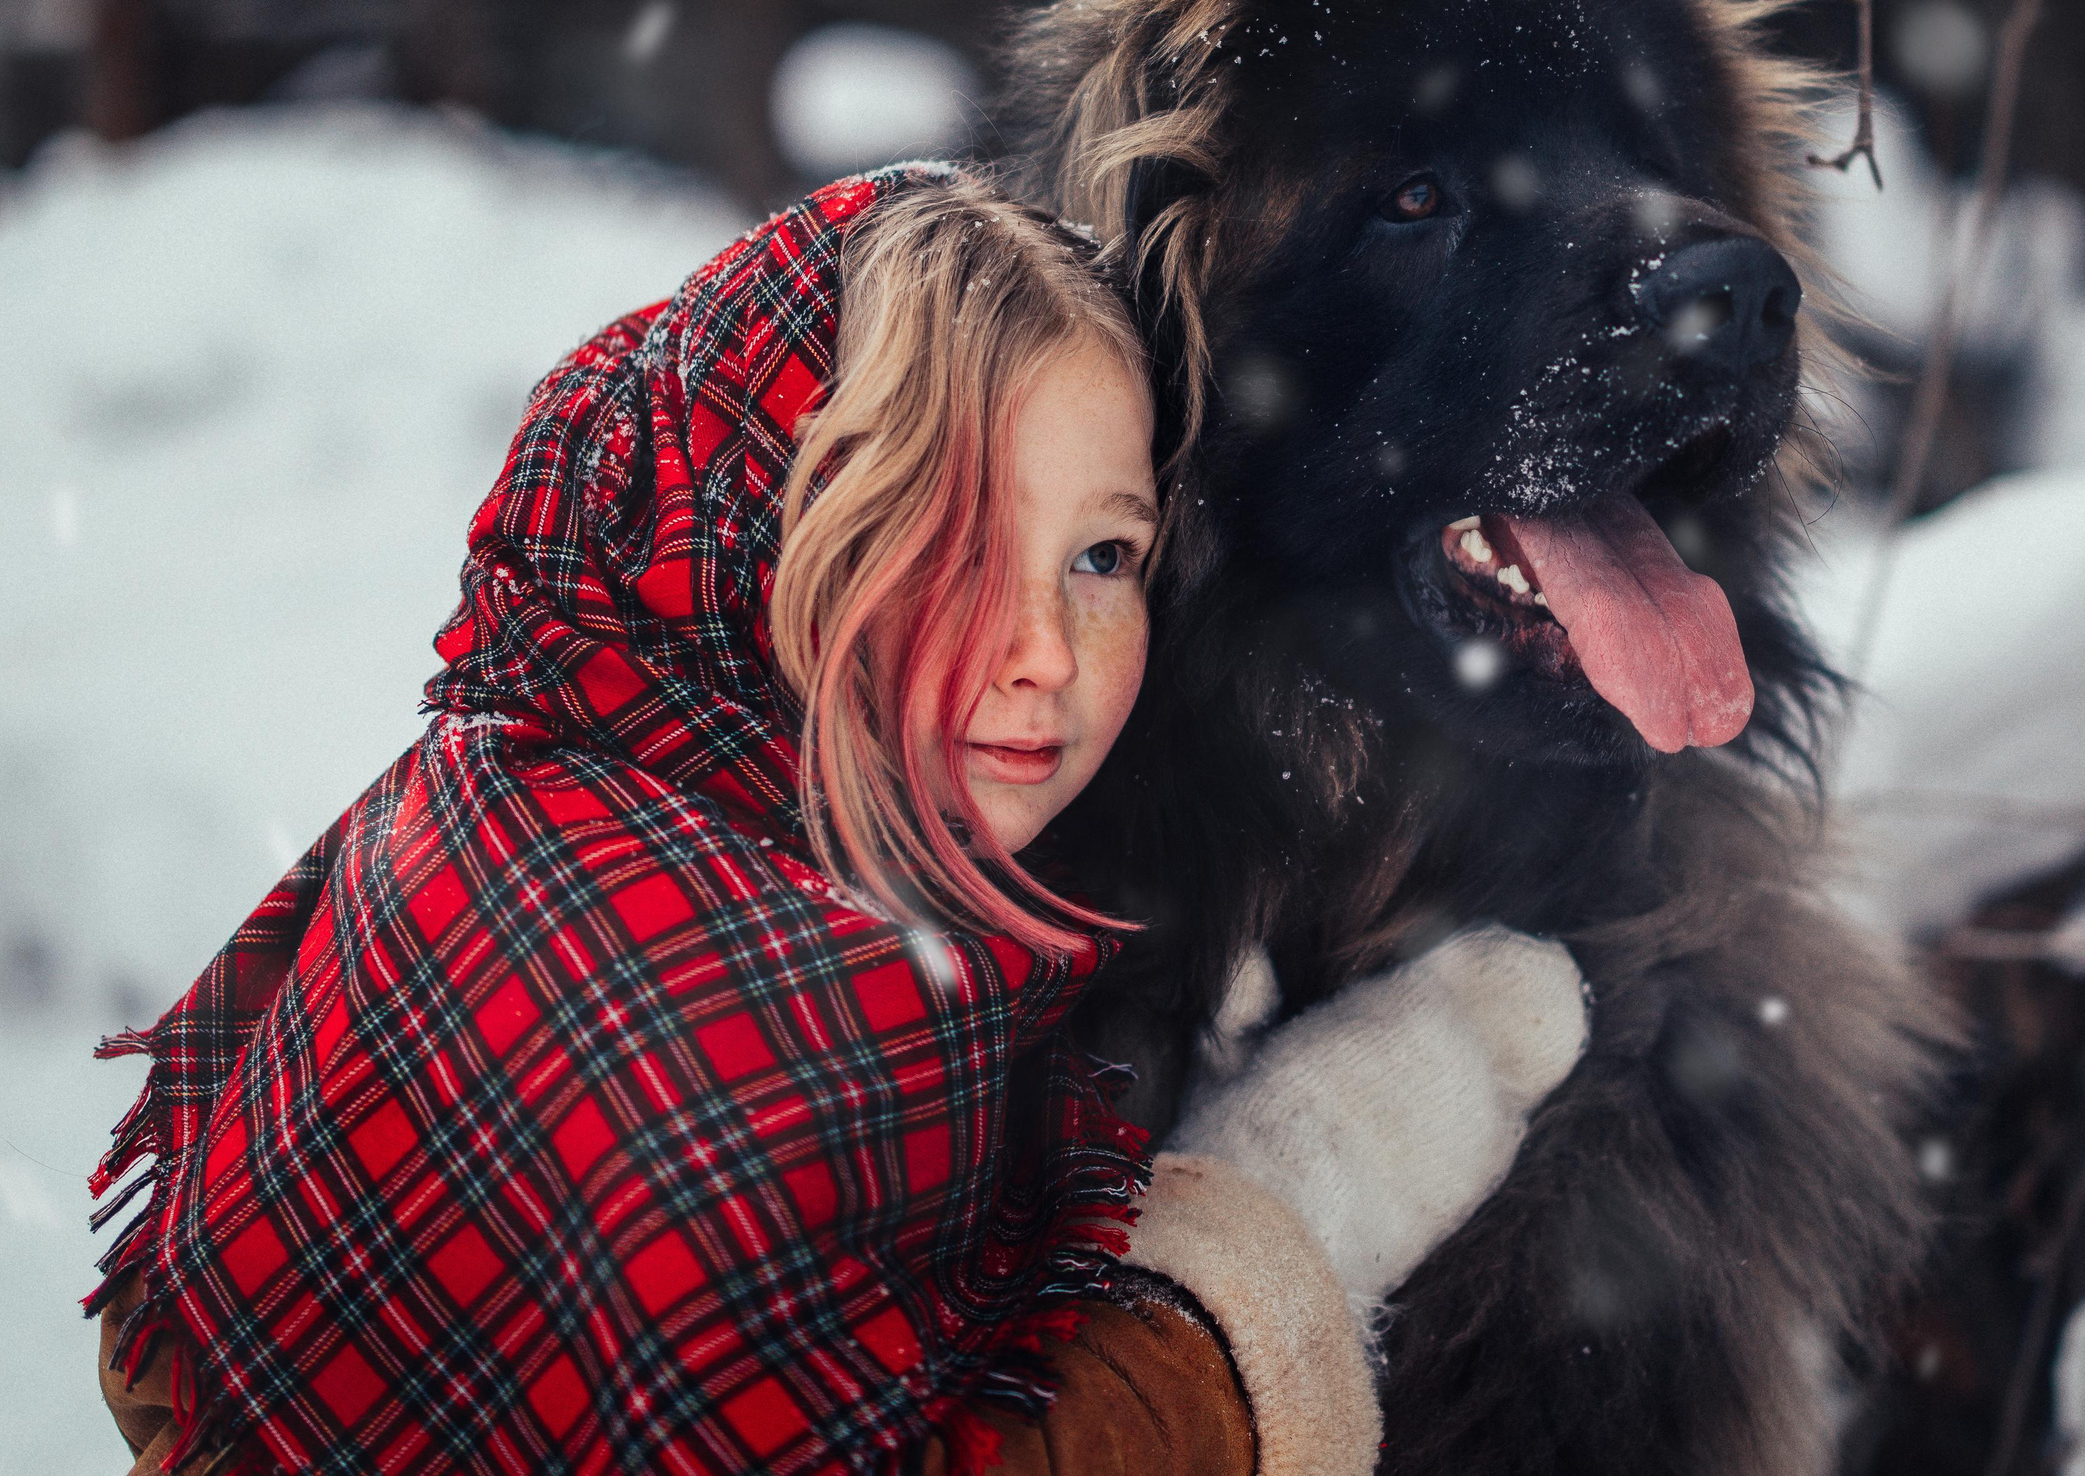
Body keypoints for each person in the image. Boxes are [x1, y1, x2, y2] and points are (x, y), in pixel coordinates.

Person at [89, 166, 1587, 1475]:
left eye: (1106, 554)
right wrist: (1252, 1260)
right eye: (951, 542)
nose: (1046, 652)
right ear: (758, 522)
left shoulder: (529, 785)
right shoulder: (693, 1022)